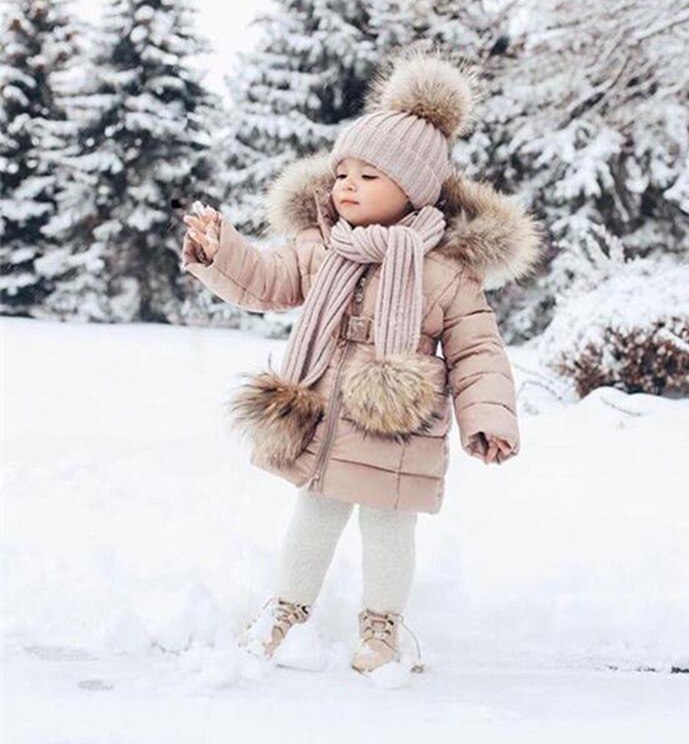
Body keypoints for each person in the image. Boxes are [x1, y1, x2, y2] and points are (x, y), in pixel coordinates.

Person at [180, 44, 546, 675]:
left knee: (389, 528)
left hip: (399, 423)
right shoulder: (324, 247)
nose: (347, 185)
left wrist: (489, 417)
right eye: (342, 172)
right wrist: (222, 251)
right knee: (313, 516)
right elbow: (267, 281)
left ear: (413, 189)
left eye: (368, 177)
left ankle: (382, 626)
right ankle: (287, 610)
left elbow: (477, 347)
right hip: (323, 416)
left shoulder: (444, 269)